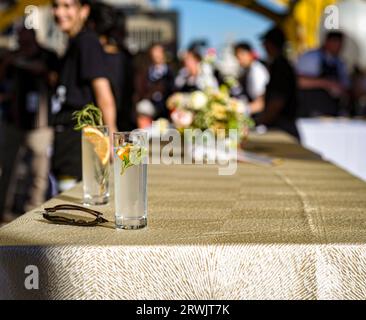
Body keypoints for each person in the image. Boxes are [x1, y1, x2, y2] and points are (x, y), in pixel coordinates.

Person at [51, 0, 118, 192]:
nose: (59, 12)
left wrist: (111, 136)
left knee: (71, 201)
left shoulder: (86, 41)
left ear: (84, 11)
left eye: (67, 5)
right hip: (67, 138)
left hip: (79, 142)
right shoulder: (73, 43)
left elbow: (103, 91)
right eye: (56, 5)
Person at [0, 26, 58, 219]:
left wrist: (18, 62)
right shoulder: (11, 56)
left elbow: (50, 75)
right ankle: (4, 212)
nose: (22, 44)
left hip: (40, 125)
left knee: (39, 173)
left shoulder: (47, 55)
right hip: (14, 121)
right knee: (8, 170)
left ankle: (32, 211)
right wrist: (9, 62)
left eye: (26, 40)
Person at [89, 2, 135, 131]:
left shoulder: (96, 57)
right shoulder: (126, 57)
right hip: (125, 125)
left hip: (105, 130)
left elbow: (106, 100)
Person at [256, 26, 299, 138]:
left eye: (265, 42)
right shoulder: (280, 64)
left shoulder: (280, 67)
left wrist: (260, 121)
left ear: (271, 44)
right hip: (282, 125)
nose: (263, 46)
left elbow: (277, 101)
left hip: (282, 127)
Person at [296, 31, 350, 117]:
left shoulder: (340, 63)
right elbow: (299, 81)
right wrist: (327, 83)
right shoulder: (312, 57)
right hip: (309, 111)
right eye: (336, 42)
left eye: (341, 44)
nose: (339, 47)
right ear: (327, 42)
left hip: (331, 112)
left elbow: (346, 86)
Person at [134, 43, 174, 129]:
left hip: (167, 104)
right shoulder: (145, 72)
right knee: (142, 107)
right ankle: (145, 137)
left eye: (159, 52)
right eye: (154, 52)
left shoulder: (171, 71)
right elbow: (140, 90)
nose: (156, 55)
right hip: (151, 104)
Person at [234, 42, 269, 116]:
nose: (239, 60)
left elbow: (261, 103)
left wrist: (241, 110)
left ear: (250, 54)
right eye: (237, 57)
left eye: (242, 55)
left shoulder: (256, 71)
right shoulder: (248, 70)